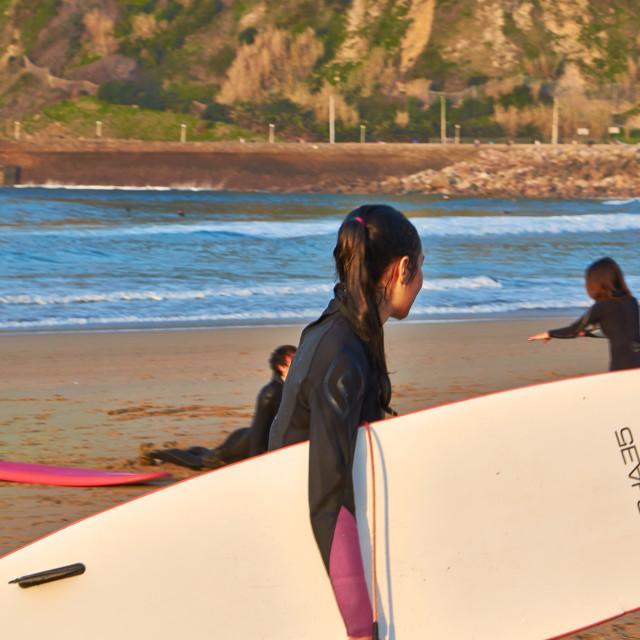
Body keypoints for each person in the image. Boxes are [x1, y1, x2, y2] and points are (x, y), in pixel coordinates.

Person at [269, 205, 424, 640]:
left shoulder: (343, 329)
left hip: (318, 521)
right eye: (422, 268)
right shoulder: (342, 352)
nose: (423, 282)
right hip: (309, 531)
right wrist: (359, 627)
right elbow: (328, 494)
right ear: (402, 269)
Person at [143, 345, 296, 470]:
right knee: (201, 462)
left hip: (250, 439)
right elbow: (258, 429)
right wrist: (255, 463)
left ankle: (189, 450)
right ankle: (156, 454)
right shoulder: (270, 392)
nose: (300, 365)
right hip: (243, 444)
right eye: (294, 362)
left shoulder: (292, 386)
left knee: (209, 453)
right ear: (281, 367)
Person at [528, 257, 640, 371]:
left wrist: (549, 333)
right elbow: (619, 334)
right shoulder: (632, 301)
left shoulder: (601, 306)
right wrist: (586, 333)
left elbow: (572, 331)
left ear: (596, 282)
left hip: (623, 365)